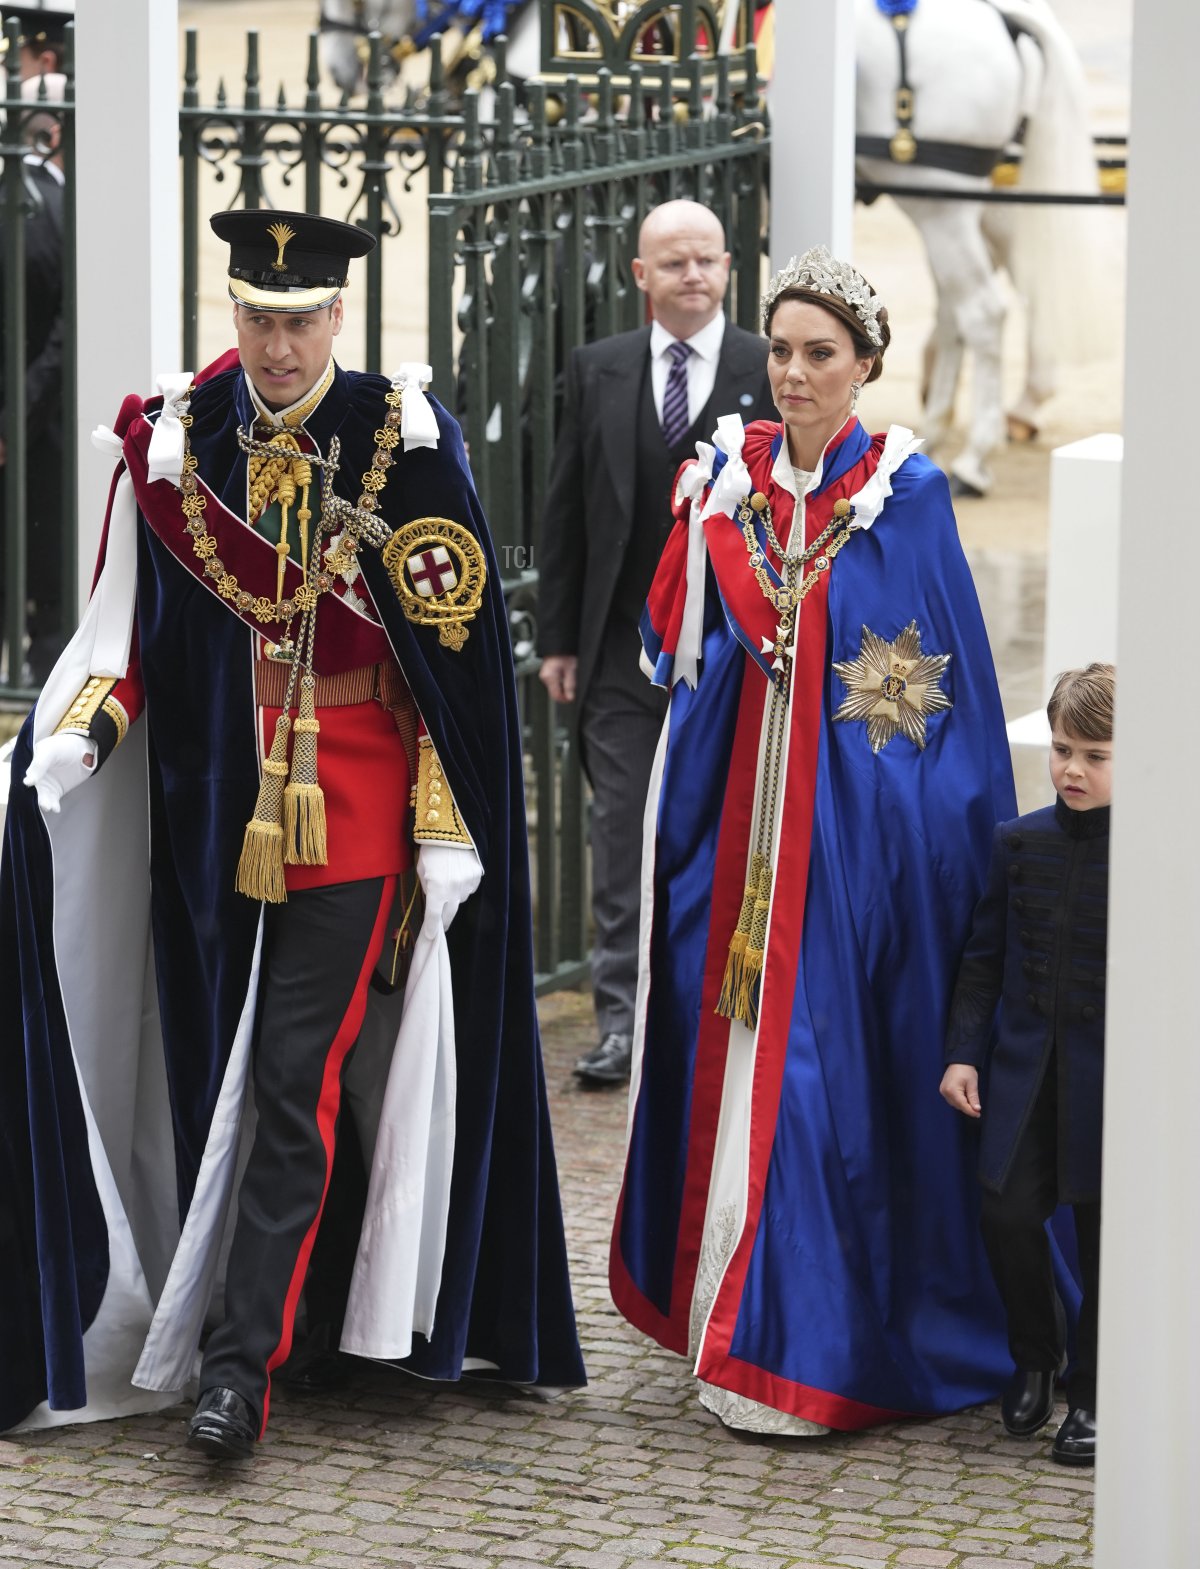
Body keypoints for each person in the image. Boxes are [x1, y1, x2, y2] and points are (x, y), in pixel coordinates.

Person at [0, 209, 585, 1454]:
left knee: (291, 1076)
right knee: (217, 1062)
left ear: (339, 319)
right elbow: (129, 633)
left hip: (357, 795)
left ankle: (235, 1373)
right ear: (236, 316)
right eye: (257, 319)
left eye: (299, 319)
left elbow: (456, 658)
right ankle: (302, 1316)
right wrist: (82, 737)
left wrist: (447, 824)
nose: (276, 344)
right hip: (214, 797)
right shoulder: (182, 441)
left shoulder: (404, 443)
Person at [609, 247, 1019, 1433]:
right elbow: (667, 651)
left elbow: (926, 709)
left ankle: (805, 1340)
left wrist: (880, 848)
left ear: (867, 368)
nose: (793, 374)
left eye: (820, 356)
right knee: (733, 1055)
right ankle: (731, 1309)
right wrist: (702, 534)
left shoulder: (906, 496)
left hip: (849, 851)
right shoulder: (725, 484)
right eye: (781, 352)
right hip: (734, 831)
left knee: (823, 1075)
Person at [537, 198, 775, 1088]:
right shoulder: (597, 370)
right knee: (619, 831)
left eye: (707, 260)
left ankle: (712, 1013)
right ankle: (620, 1021)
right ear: (642, 276)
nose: (694, 276)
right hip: (618, 657)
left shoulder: (768, 368)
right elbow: (564, 513)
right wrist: (560, 638)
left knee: (724, 830)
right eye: (674, 263)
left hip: (734, 659)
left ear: (727, 268)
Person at [941, 663, 1114, 1467]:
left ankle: (1092, 1394)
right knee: (1006, 1212)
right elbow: (983, 960)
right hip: (1022, 1072)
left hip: (1110, 1085)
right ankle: (1035, 1355)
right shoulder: (1018, 842)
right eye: (1064, 750)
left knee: (1105, 1236)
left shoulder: (1161, 858)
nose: (1072, 769)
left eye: (1095, 756)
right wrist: (963, 1057)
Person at [0, 69, 69, 684]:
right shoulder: (49, 203)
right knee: (51, 570)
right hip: (44, 420)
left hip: (22, 409)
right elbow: (62, 333)